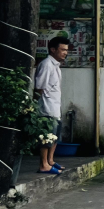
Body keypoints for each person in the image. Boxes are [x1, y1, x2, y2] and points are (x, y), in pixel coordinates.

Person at [34, 37, 70, 174]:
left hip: (55, 107)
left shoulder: (56, 66)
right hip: (47, 108)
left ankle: (50, 161)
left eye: (66, 50)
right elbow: (39, 87)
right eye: (62, 50)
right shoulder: (46, 64)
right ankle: (44, 164)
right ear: (53, 49)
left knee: (54, 136)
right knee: (46, 137)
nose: (65, 53)